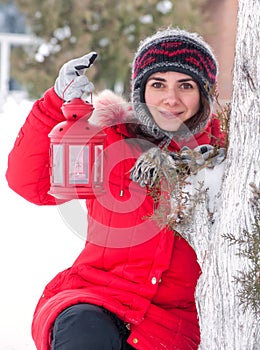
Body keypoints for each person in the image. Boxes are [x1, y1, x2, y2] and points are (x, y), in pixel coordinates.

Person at [6, 27, 226, 350]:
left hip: (171, 328)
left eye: (186, 85)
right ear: (140, 90)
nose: (171, 98)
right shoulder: (110, 141)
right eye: (158, 84)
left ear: (204, 94)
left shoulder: (223, 161)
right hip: (96, 301)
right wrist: (56, 104)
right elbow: (29, 181)